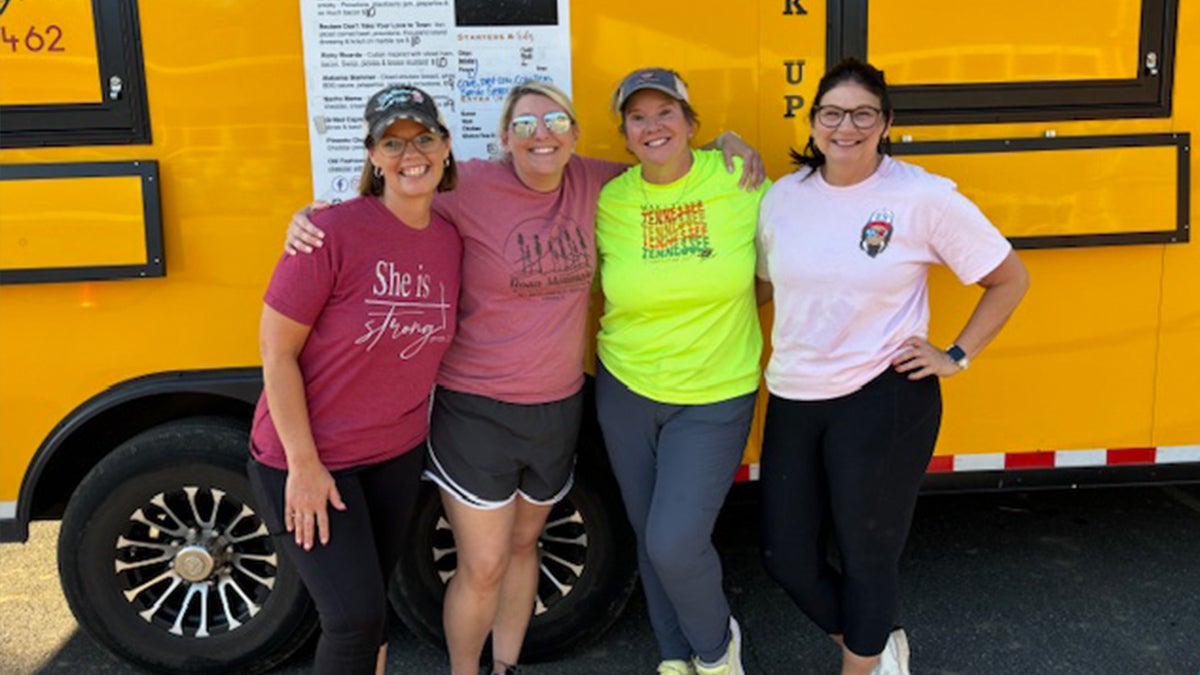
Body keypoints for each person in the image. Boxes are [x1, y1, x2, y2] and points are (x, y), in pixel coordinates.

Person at [285, 79, 765, 675]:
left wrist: (730, 139)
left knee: (521, 548)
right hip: (478, 409)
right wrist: (315, 216)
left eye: (557, 122)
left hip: (557, 407)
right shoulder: (469, 186)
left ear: (577, 135)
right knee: (482, 565)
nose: (543, 135)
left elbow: (666, 150)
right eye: (526, 125)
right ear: (503, 139)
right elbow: (392, 202)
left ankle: (506, 665)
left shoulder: (598, 181)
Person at [755, 58, 1030, 675]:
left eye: (862, 114)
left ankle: (864, 664)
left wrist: (956, 355)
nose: (845, 127)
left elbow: (1009, 278)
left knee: (867, 555)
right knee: (785, 557)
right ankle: (873, 646)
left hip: (886, 396)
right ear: (814, 120)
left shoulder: (921, 196)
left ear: (886, 124)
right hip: (795, 394)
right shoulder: (783, 197)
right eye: (832, 113)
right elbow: (764, 286)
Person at [246, 85, 462, 675]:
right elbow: (276, 351)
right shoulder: (328, 233)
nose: (409, 153)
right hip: (311, 459)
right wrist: (304, 465)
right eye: (392, 142)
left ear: (445, 146)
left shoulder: (448, 238)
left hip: (393, 455)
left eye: (422, 138)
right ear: (372, 155)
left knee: (375, 612)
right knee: (352, 621)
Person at [593, 68, 769, 675]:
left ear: (692, 124)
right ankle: (674, 657)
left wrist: (733, 141)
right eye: (638, 117)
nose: (653, 126)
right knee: (649, 536)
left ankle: (718, 654)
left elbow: (771, 271)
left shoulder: (738, 178)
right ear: (625, 135)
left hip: (715, 392)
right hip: (626, 387)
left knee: (675, 540)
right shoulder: (610, 200)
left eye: (665, 112)